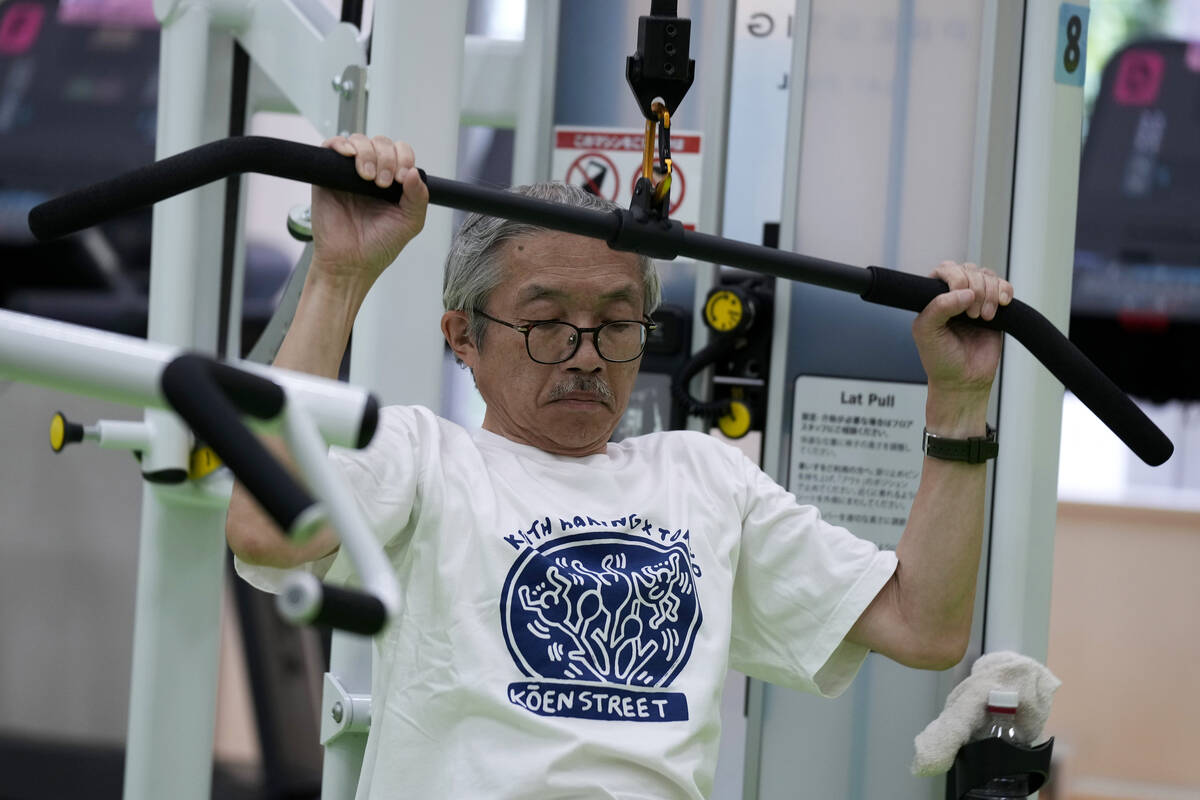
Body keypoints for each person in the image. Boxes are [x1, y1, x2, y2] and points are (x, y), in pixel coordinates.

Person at [226, 134, 1013, 799]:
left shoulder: (703, 476)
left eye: (615, 325)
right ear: (463, 338)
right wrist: (339, 276)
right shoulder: (424, 457)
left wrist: (959, 398)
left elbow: (924, 624)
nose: (585, 357)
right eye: (546, 325)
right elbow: (265, 530)